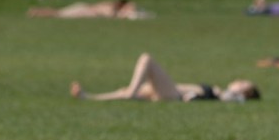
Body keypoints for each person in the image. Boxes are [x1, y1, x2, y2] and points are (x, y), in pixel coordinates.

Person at [70, 53, 260, 102]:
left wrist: (193, 98)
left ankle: (131, 93)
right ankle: (88, 97)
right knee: (125, 91)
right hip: (169, 91)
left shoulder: (230, 97)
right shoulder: (225, 94)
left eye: (243, 84)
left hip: (173, 94)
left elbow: (203, 98)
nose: (239, 81)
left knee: (147, 60)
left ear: (245, 92)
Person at [27, 0, 152, 20]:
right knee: (60, 14)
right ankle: (37, 12)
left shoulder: (110, 6)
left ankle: (37, 11)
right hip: (86, 10)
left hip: (85, 8)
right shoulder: (112, 8)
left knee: (59, 12)